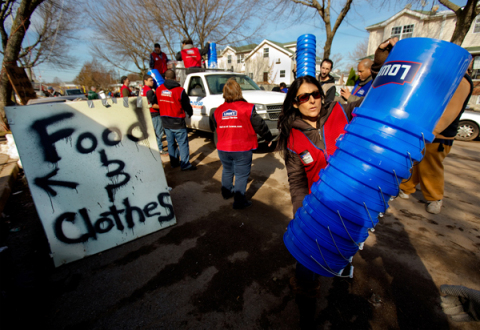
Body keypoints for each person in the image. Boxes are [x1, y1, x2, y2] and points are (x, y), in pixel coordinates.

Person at [395, 49, 473, 214]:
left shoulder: (462, 81)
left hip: (438, 136)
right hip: (427, 131)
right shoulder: (450, 79)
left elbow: (449, 112)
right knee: (416, 163)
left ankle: (435, 197)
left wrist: (431, 133)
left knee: (431, 166)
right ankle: (407, 188)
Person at [213, 79, 273, 209]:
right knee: (241, 175)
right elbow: (260, 125)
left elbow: (215, 125)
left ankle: (226, 192)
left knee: (227, 170)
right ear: (239, 91)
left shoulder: (218, 110)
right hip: (242, 148)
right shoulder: (248, 108)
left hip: (223, 148)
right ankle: (239, 202)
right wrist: (268, 137)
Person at [156, 69, 196, 171]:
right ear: (175, 78)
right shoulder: (180, 90)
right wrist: (190, 112)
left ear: (165, 78)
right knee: (182, 144)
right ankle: (185, 164)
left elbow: (156, 101)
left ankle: (174, 163)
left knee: (171, 143)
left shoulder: (159, 89)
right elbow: (186, 104)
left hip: (165, 121)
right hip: (177, 121)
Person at [142, 74, 167, 155]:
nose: (153, 82)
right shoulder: (149, 91)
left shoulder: (143, 90)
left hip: (148, 113)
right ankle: (159, 149)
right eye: (150, 80)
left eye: (153, 80)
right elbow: (153, 105)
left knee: (154, 132)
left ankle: (155, 148)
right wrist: (164, 107)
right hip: (154, 114)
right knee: (159, 132)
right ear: (145, 81)